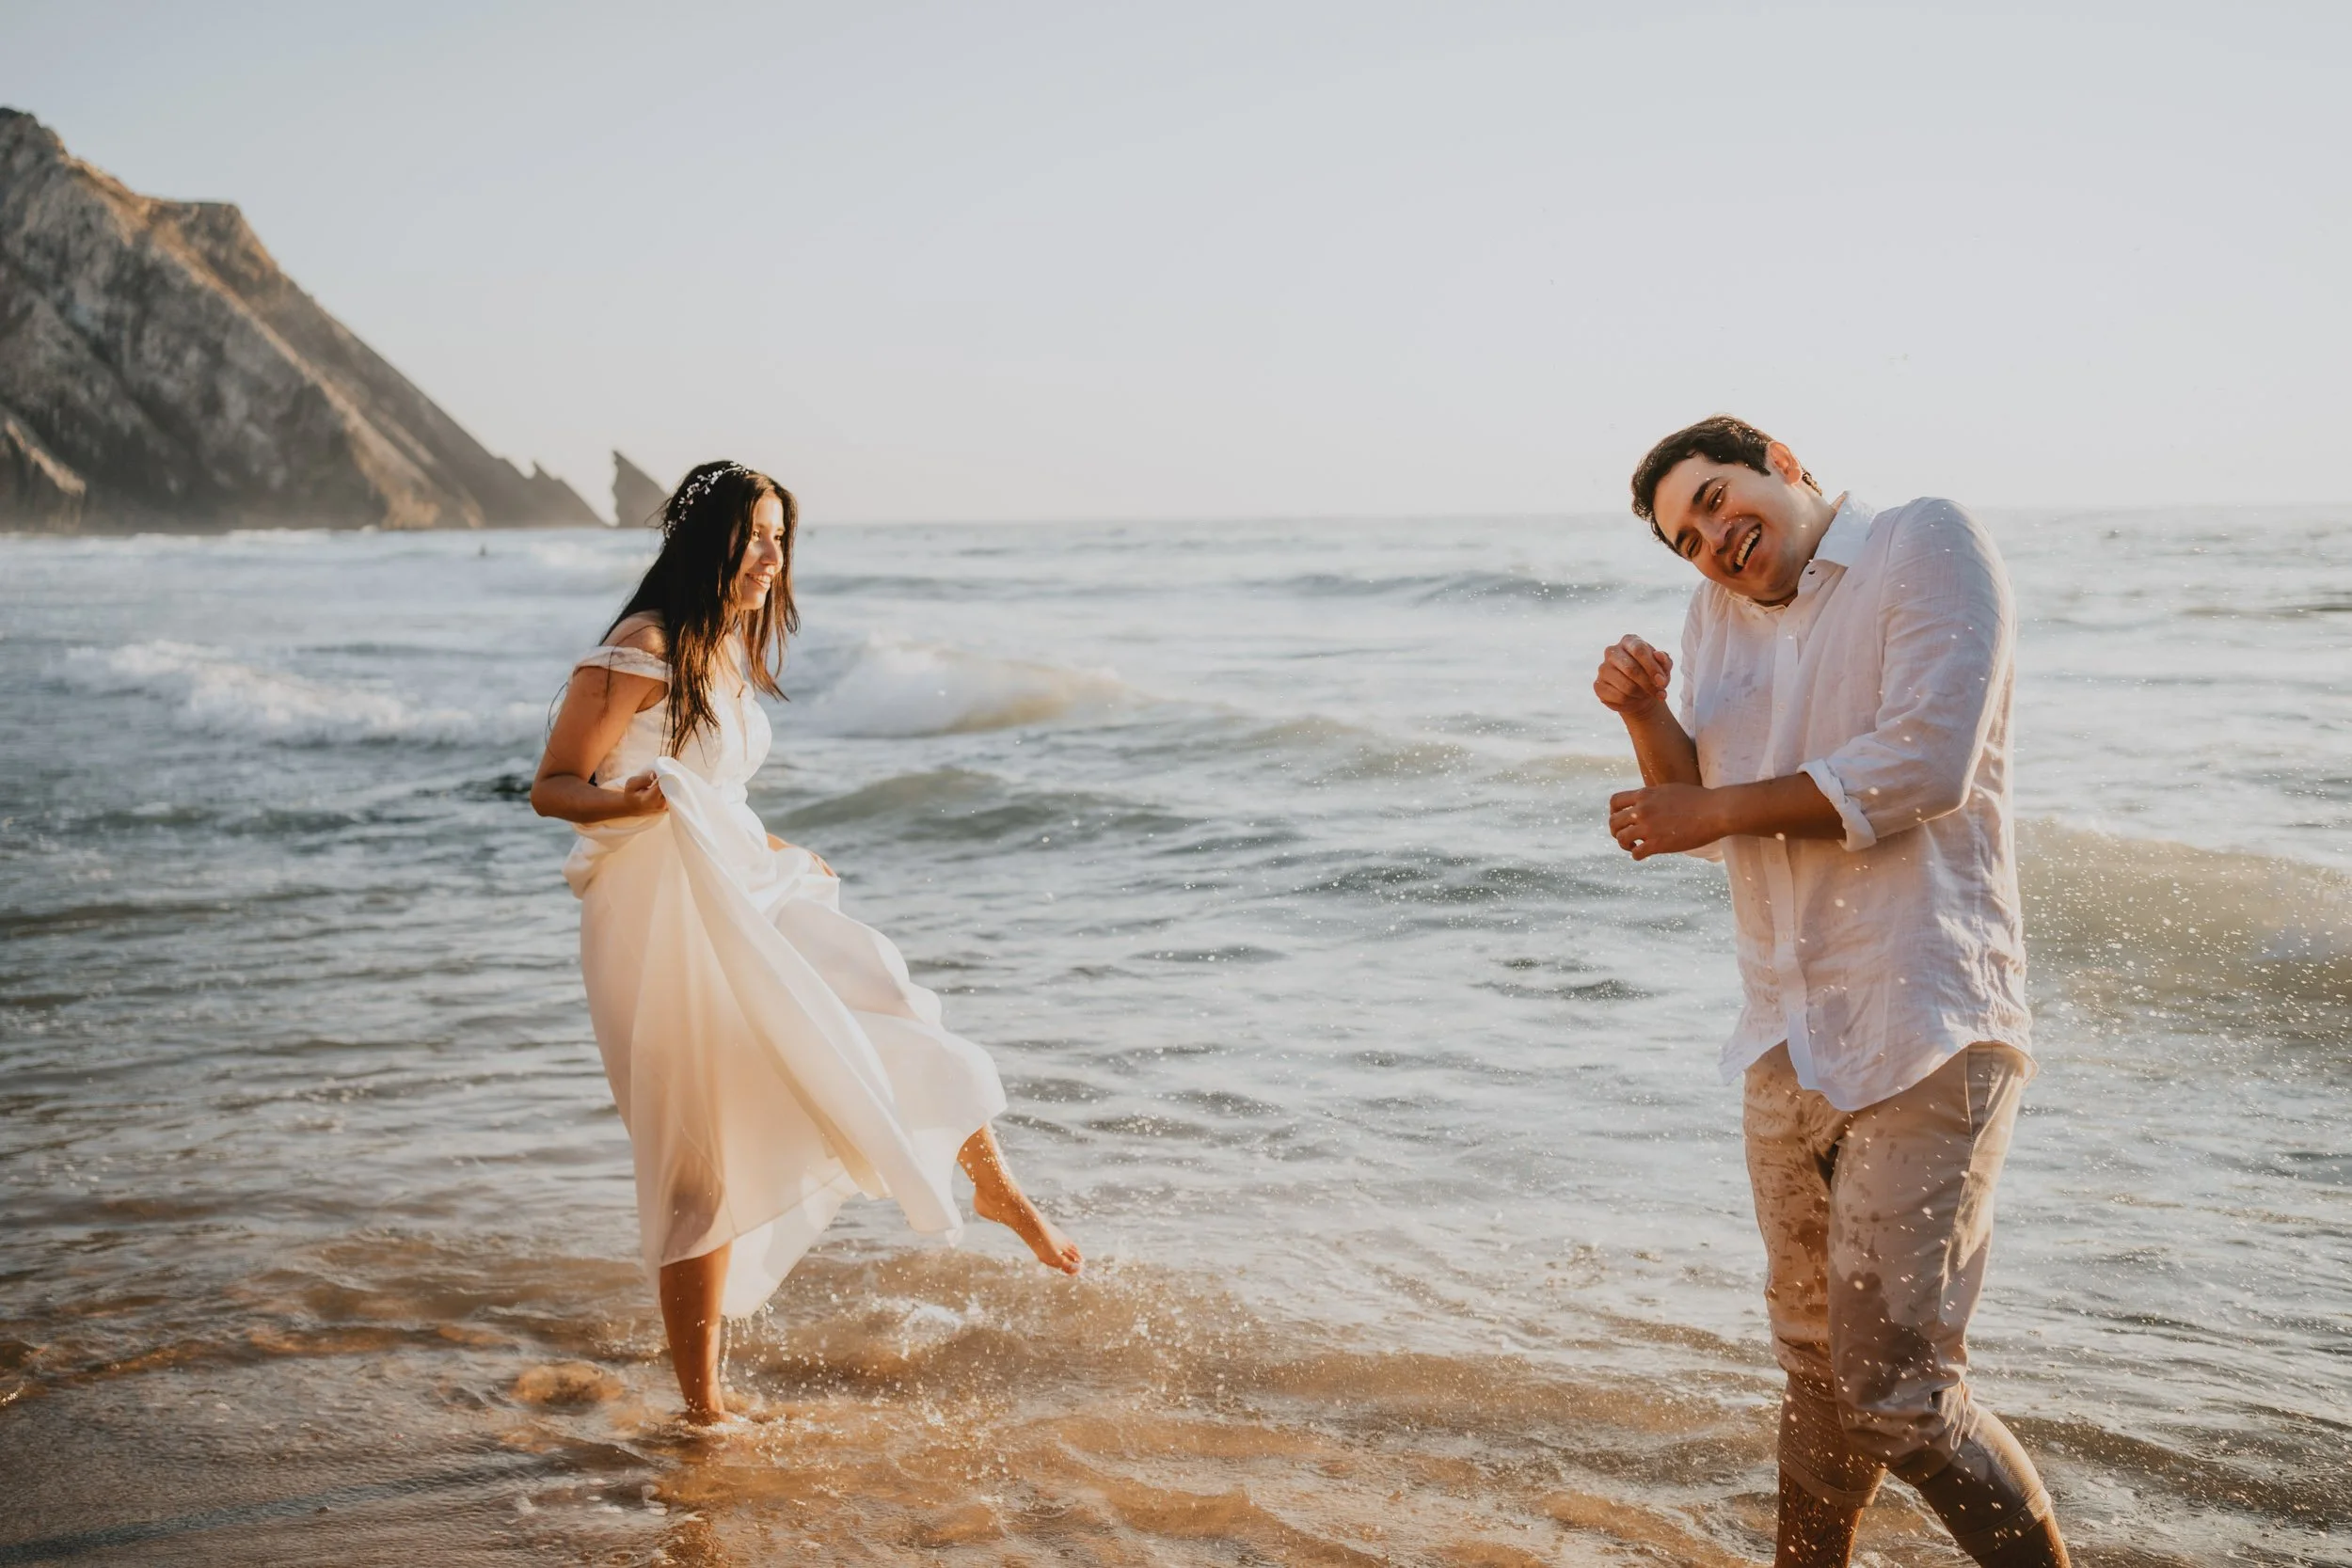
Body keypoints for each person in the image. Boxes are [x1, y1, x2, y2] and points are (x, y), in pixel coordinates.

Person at [1591, 417, 2070, 1566]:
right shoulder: (1718, 616)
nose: (1709, 535)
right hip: (1784, 1030)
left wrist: (1707, 808)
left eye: (1714, 496)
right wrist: (1648, 718)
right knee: (1811, 1364)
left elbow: (1924, 762)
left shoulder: (1923, 542)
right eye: (1685, 534)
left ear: (1783, 462)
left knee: (1901, 1393)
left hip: (1926, 1020)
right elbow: (1706, 814)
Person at [531, 460, 1081, 1424]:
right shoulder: (640, 645)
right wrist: (634, 798)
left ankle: (995, 1186)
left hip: (742, 881)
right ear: (708, 543)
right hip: (654, 915)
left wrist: (776, 841)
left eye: (780, 538)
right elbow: (554, 784)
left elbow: (721, 791)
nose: (769, 557)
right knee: (692, 1150)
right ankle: (704, 1409)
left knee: (882, 989)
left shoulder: (727, 652)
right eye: (754, 536)